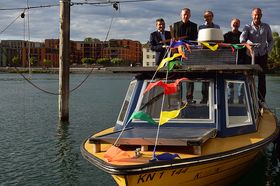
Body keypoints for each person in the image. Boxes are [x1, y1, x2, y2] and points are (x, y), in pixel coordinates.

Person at [240, 8, 274, 104]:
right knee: (249, 78)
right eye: (255, 14)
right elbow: (242, 40)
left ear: (261, 15)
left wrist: (268, 50)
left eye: (258, 14)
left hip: (263, 56)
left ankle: (261, 101)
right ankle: (248, 100)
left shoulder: (266, 26)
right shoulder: (247, 27)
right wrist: (248, 46)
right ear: (252, 15)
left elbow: (271, 40)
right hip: (250, 56)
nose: (257, 16)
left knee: (262, 78)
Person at [173, 8, 198, 103]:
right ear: (181, 15)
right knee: (178, 78)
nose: (186, 16)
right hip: (178, 55)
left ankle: (190, 99)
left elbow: (194, 39)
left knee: (189, 77)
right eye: (184, 14)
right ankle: (179, 99)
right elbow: (174, 40)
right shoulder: (175, 25)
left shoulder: (194, 26)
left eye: (187, 14)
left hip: (189, 54)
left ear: (190, 15)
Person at [199, 10, 220, 104]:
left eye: (209, 16)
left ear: (212, 17)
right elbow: (199, 40)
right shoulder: (201, 27)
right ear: (204, 18)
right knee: (204, 77)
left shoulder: (217, 27)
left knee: (215, 75)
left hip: (214, 54)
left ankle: (215, 99)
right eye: (206, 16)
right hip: (204, 54)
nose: (208, 18)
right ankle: (204, 98)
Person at [224, 18, 246, 104]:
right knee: (230, 82)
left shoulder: (242, 35)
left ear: (239, 25)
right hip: (230, 62)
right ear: (231, 24)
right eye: (234, 23)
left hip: (241, 61)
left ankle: (241, 100)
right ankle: (230, 100)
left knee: (241, 82)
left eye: (237, 23)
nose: (235, 25)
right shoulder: (226, 35)